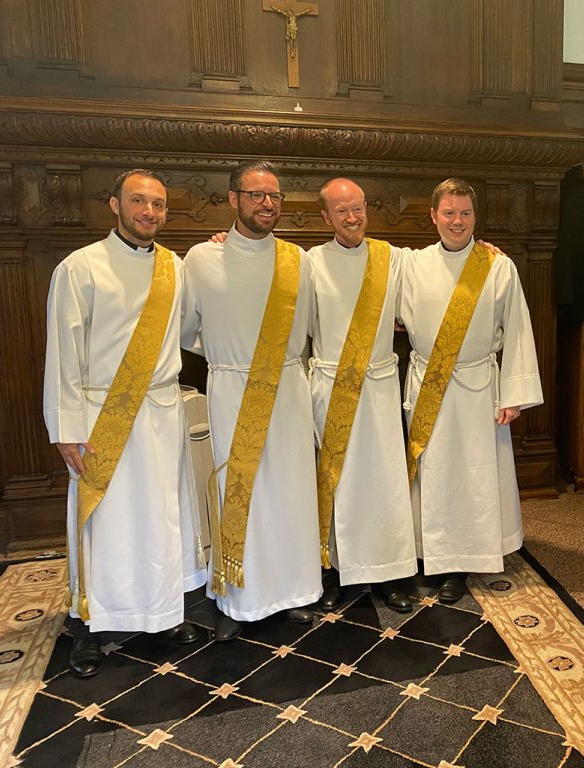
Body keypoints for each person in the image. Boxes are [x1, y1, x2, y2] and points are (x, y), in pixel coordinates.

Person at [43, 169, 200, 678]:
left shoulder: (175, 268)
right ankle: (89, 623)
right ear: (114, 204)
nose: (148, 212)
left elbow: (195, 330)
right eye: (138, 201)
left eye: (157, 203)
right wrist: (65, 425)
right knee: (102, 522)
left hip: (160, 412)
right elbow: (63, 352)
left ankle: (162, 611)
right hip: (101, 418)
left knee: (162, 517)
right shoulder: (80, 267)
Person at [182, 160, 321, 640]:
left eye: (275, 196)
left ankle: (293, 592)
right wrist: (231, 355)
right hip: (231, 391)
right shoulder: (200, 259)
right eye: (257, 194)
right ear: (233, 199)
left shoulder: (297, 260)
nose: (267, 203)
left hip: (287, 392)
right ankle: (235, 597)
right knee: (240, 491)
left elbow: (313, 323)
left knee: (289, 493)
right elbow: (185, 330)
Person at [398, 178, 542, 602]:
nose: (456, 221)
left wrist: (513, 395)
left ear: (475, 217)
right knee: (433, 472)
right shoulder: (410, 264)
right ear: (433, 216)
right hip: (428, 385)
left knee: (472, 474)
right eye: (448, 213)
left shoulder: (497, 266)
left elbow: (517, 328)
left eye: (464, 213)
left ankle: (463, 561)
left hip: (478, 387)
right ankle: (429, 554)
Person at [308, 177, 417, 613]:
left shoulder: (391, 258)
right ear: (325, 216)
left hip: (377, 389)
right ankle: (332, 569)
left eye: (358, 208)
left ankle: (388, 571)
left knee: (382, 482)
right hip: (331, 387)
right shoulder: (309, 262)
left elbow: (442, 269)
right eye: (341, 211)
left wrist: (485, 251)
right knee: (336, 481)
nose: (352, 218)